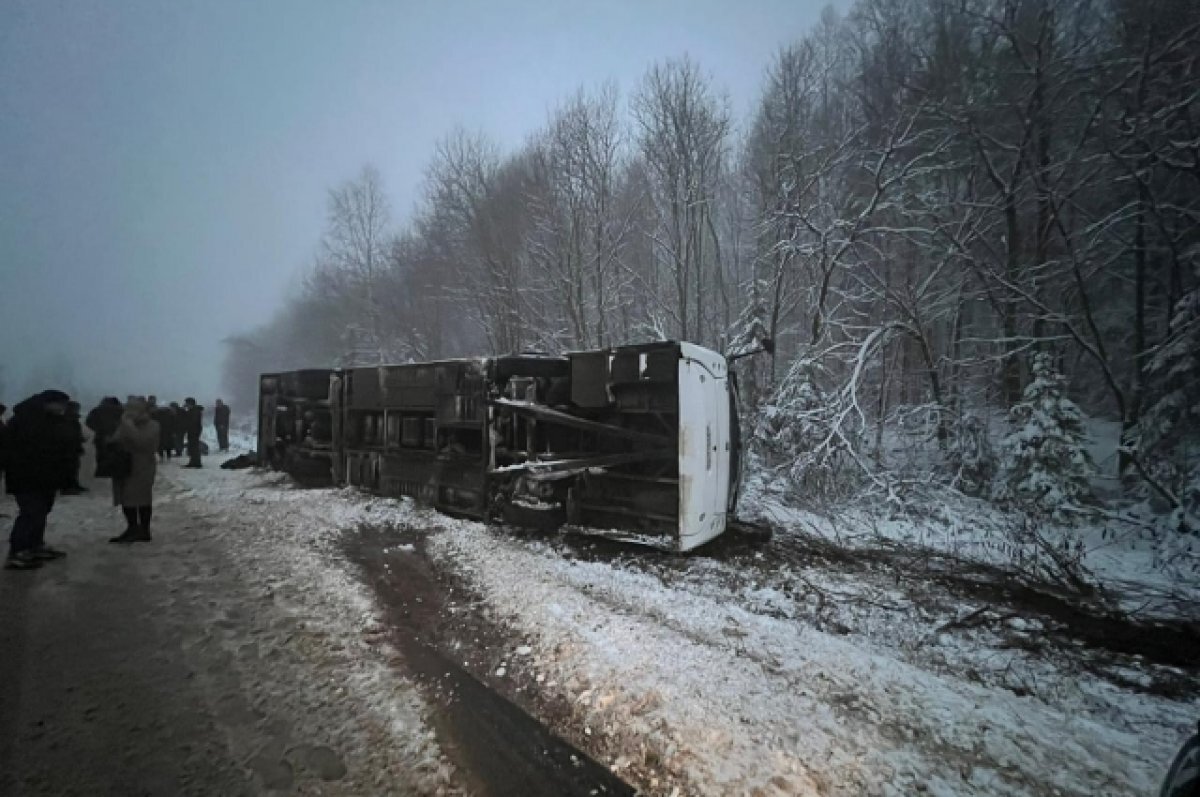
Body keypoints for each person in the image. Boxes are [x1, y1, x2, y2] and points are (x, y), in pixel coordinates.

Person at [4, 390, 77, 569]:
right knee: (31, 513)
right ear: (48, 403)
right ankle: (18, 551)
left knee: (41, 512)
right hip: (26, 477)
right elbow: (15, 450)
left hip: (46, 476)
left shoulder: (52, 420)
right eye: (60, 404)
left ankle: (35, 545)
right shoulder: (24, 421)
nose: (63, 408)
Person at [109, 397, 160, 543]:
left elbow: (141, 442)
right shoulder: (125, 424)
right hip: (124, 466)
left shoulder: (153, 425)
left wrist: (128, 426)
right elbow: (115, 440)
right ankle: (132, 527)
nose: (129, 413)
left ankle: (144, 530)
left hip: (143, 466)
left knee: (141, 499)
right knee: (126, 499)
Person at [60, 400, 88, 494]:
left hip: (73, 448)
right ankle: (67, 488)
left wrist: (80, 439)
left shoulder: (73, 420)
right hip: (68, 449)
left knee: (74, 467)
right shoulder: (67, 420)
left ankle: (73, 485)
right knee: (68, 468)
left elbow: (75, 433)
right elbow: (68, 434)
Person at [183, 397, 204, 468]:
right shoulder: (193, 410)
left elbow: (192, 421)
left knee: (194, 447)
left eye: (186, 403)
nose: (185, 404)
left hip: (194, 431)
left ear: (190, 403)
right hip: (193, 430)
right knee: (192, 447)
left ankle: (196, 463)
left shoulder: (194, 411)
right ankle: (193, 462)